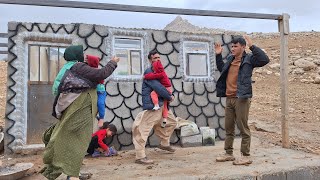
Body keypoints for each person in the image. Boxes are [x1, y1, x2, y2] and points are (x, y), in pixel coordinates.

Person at [41, 45, 120, 180]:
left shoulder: (70, 68)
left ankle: (73, 173)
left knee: (75, 141)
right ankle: (72, 175)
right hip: (79, 112)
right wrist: (113, 62)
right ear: (76, 55)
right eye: (81, 53)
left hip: (73, 110)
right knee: (77, 142)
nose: (83, 56)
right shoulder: (78, 67)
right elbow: (101, 74)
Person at [214, 35, 270, 165]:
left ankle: (245, 155)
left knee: (243, 127)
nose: (232, 48)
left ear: (243, 47)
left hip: (242, 98)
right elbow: (222, 69)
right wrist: (218, 55)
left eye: (235, 46)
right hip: (229, 98)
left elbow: (264, 60)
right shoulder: (230, 59)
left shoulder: (249, 59)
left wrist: (252, 46)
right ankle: (228, 153)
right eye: (231, 46)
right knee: (229, 127)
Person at [132, 50, 177, 165]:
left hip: (162, 105)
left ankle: (164, 144)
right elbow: (158, 88)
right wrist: (170, 96)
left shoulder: (159, 71)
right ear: (150, 60)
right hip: (153, 106)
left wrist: (169, 96)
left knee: (171, 122)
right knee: (143, 130)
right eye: (155, 58)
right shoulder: (149, 71)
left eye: (159, 57)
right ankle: (140, 156)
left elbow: (166, 85)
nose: (157, 60)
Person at [144, 59, 172, 128]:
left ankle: (156, 105)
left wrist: (145, 76)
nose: (153, 70)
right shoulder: (163, 73)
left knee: (153, 93)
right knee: (165, 105)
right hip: (168, 89)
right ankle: (165, 119)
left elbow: (153, 76)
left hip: (166, 89)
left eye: (154, 68)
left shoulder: (160, 74)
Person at [86, 54, 107, 128]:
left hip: (100, 92)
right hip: (92, 92)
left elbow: (101, 79)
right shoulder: (87, 70)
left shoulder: (97, 71)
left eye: (88, 61)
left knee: (100, 103)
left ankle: (101, 118)